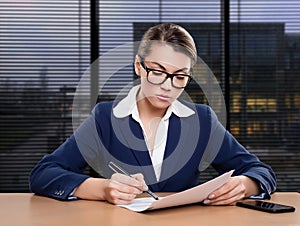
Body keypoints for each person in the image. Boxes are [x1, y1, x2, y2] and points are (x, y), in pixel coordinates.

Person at [29, 23, 276, 205]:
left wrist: (245, 184)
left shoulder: (202, 120)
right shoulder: (105, 117)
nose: (168, 86)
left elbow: (260, 171)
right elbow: (43, 174)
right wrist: (102, 188)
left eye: (180, 76)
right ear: (139, 66)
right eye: (157, 72)